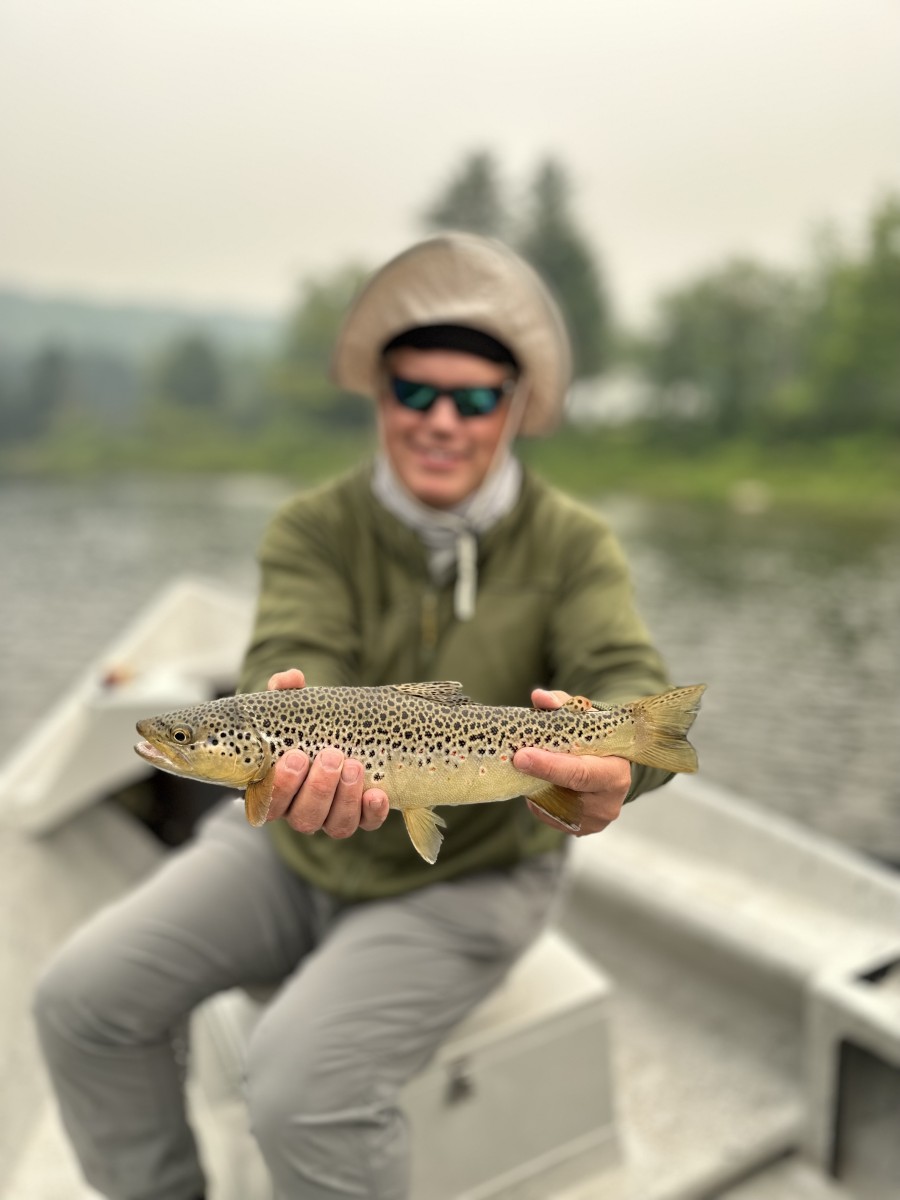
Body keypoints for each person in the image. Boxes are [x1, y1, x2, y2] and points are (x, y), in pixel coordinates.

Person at [34, 233, 674, 1200]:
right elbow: (291, 657)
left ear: (514, 410)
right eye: (415, 392)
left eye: (474, 397)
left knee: (297, 1088)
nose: (442, 420)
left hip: (473, 869)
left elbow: (624, 669)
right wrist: (289, 695)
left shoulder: (571, 545)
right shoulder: (314, 527)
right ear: (382, 399)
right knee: (78, 999)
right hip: (293, 847)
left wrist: (628, 760)